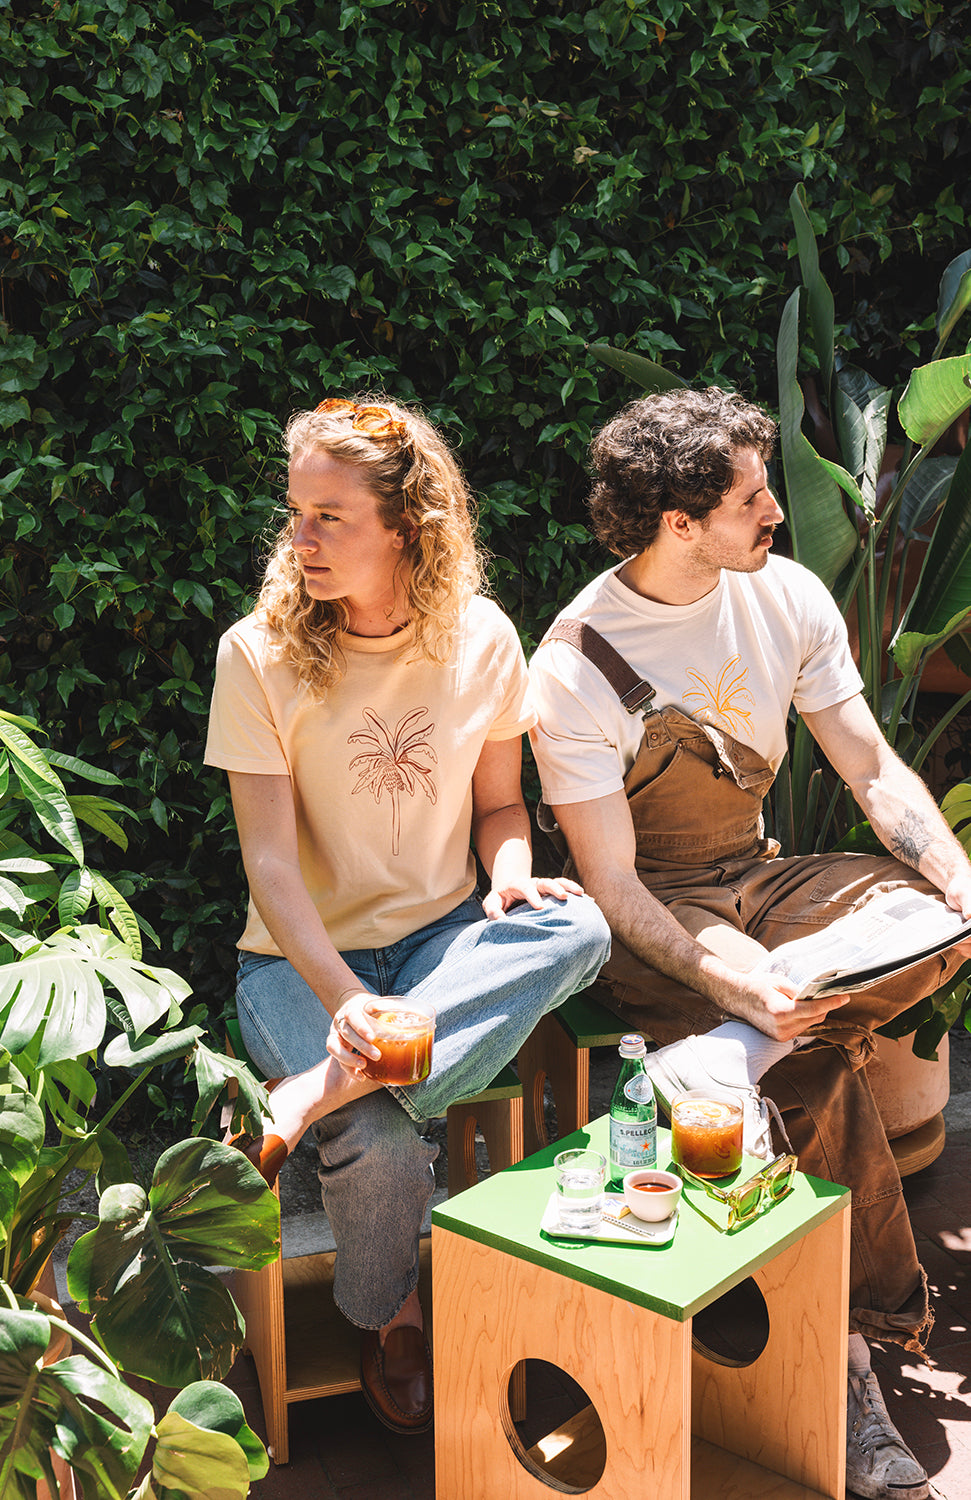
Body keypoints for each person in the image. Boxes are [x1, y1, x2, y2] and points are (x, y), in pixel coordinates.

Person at [528, 386, 971, 1500]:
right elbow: (611, 884)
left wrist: (957, 886)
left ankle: (739, 1049)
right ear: (678, 523)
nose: (774, 511)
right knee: (819, 1068)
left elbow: (869, 770)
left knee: (935, 921)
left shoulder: (786, 593)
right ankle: (848, 1369)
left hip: (764, 876)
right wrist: (737, 975)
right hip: (662, 912)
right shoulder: (576, 661)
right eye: (750, 498)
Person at [205, 396, 610, 1436]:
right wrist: (344, 1004)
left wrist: (512, 873)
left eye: (329, 517)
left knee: (581, 926)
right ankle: (392, 1320)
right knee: (382, 1140)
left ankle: (312, 1099)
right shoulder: (257, 655)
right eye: (295, 514)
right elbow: (267, 866)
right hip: (297, 960)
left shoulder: (481, 639)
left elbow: (498, 807)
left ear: (407, 525)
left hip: (444, 944)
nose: (300, 540)